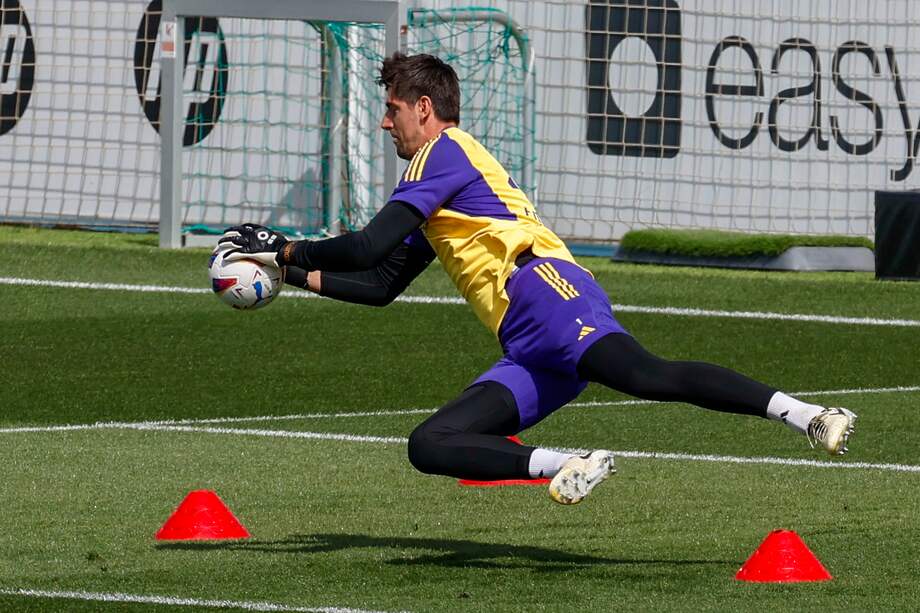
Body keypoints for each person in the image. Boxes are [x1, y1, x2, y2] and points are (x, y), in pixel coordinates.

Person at [220, 53, 856, 505]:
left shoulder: (442, 153)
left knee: (645, 374)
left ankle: (806, 415)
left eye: (391, 110)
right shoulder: (433, 187)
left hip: (548, 293)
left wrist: (283, 247)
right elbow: (379, 282)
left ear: (423, 108)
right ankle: (565, 463)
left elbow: (363, 245)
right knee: (432, 443)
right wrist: (290, 270)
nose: (386, 123)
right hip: (525, 341)